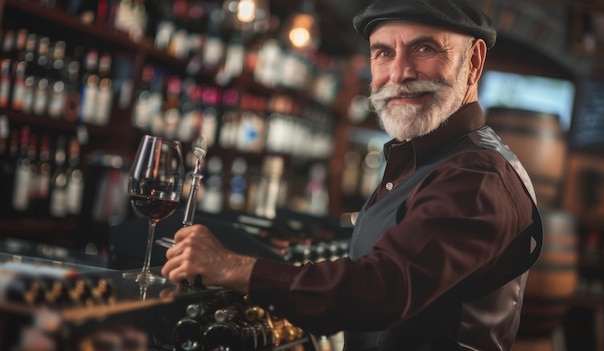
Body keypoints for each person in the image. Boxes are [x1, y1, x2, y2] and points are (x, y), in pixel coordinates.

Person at [161, 0, 544, 350]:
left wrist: (232, 266)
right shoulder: (429, 157)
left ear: (473, 61)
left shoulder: (476, 174)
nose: (398, 73)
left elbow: (381, 289)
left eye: (424, 48)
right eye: (383, 52)